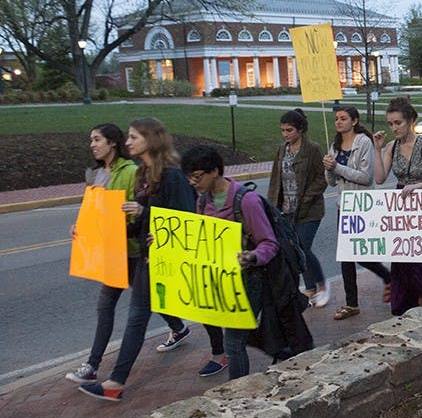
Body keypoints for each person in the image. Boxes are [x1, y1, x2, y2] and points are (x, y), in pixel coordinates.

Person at [78, 118, 195, 401]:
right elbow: (141, 223)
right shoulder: (144, 174)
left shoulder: (172, 176)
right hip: (147, 256)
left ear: (151, 140)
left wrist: (145, 214)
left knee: (147, 315)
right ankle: (116, 382)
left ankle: (222, 351)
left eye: (133, 137)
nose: (127, 142)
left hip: (166, 257)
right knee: (137, 317)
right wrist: (92, 231)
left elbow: (187, 218)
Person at [181, 145, 278, 381]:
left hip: (249, 280)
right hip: (222, 281)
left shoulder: (247, 201)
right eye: (190, 178)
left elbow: (269, 243)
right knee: (235, 340)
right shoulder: (202, 202)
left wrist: (252, 256)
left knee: (233, 341)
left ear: (214, 171)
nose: (193, 183)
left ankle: (237, 391)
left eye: (197, 177)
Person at [373, 97, 422, 316]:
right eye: (391, 124)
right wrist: (377, 149)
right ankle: (406, 298)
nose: (394, 128)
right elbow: (380, 178)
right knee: (401, 254)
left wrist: (418, 186)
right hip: (402, 203)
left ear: (410, 121)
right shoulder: (392, 147)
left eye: (398, 123)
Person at [322, 106, 392, 320]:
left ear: (354, 121)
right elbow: (331, 182)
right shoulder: (335, 145)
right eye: (336, 119)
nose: (338, 122)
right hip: (344, 205)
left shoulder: (363, 142)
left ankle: (389, 277)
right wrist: (328, 168)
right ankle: (351, 303)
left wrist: (337, 167)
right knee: (346, 257)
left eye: (343, 118)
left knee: (361, 254)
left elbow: (366, 177)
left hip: (362, 204)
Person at [267, 109, 328, 307]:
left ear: (300, 129)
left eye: (289, 130)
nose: (285, 134)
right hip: (286, 209)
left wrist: (308, 196)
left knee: (303, 246)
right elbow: (276, 179)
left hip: (309, 209)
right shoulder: (282, 149)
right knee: (295, 250)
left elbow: (322, 178)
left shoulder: (312, 149)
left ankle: (321, 285)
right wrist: (271, 206)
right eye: (283, 130)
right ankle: (309, 288)